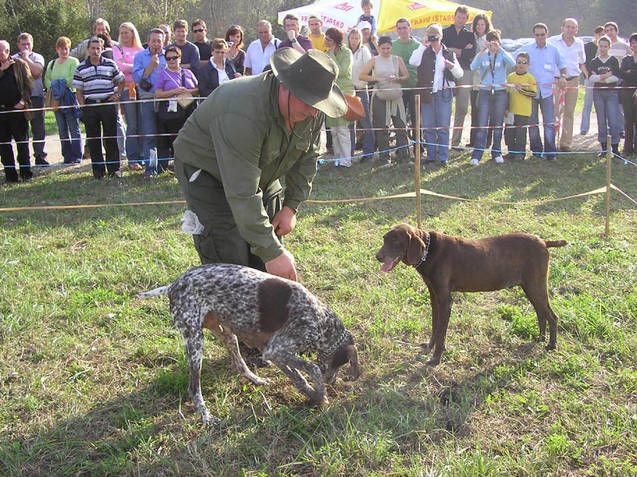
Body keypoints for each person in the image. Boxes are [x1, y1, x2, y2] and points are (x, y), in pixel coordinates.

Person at [173, 48, 347, 281]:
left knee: (266, 260)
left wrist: (291, 207)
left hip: (260, 169)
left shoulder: (312, 110)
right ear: (286, 87)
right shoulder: (242, 111)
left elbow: (308, 157)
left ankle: (263, 313)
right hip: (207, 171)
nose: (314, 114)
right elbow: (242, 191)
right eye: (309, 103)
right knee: (230, 260)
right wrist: (272, 253)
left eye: (319, 105)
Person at [410, 23, 463, 165]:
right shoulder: (423, 51)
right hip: (428, 94)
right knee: (428, 126)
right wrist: (423, 44)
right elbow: (413, 61)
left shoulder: (448, 53)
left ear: (441, 37)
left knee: (443, 127)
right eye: (430, 36)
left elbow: (459, 73)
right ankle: (431, 156)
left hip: (444, 94)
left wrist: (451, 66)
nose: (433, 40)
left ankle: (443, 157)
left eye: (435, 37)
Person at [73, 37, 125, 179]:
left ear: (102, 49)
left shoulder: (110, 64)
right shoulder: (81, 67)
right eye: (93, 48)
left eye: (98, 48)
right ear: (88, 49)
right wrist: (83, 106)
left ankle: (114, 169)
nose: (95, 51)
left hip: (107, 104)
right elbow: (78, 90)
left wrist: (118, 95)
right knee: (93, 139)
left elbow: (121, 80)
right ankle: (98, 172)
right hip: (91, 106)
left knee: (110, 137)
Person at [517, 23, 566, 161]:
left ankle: (551, 152)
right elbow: (512, 62)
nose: (540, 37)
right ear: (534, 35)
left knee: (549, 123)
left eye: (542, 34)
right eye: (537, 35)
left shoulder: (553, 50)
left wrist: (563, 77)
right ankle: (536, 151)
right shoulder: (526, 50)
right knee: (532, 123)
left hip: (547, 93)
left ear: (547, 34)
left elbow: (563, 66)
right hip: (530, 92)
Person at [359, 36, 410, 163]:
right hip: (380, 96)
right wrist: (376, 78)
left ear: (391, 47)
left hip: (396, 96)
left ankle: (404, 156)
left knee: (400, 125)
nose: (386, 51)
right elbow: (362, 75)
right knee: (382, 127)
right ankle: (384, 157)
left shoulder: (397, 59)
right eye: (383, 48)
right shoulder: (374, 60)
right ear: (379, 47)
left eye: (388, 48)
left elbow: (406, 76)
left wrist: (397, 79)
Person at [468, 30, 514, 165]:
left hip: (500, 92)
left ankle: (497, 152)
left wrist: (501, 50)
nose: (493, 45)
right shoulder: (483, 55)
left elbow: (512, 64)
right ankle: (477, 154)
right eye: (491, 42)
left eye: (496, 42)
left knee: (498, 124)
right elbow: (472, 67)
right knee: (482, 125)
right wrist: (482, 51)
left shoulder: (502, 55)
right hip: (485, 92)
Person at [155, 45, 198, 168]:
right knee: (173, 138)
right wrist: (174, 91)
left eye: (174, 57)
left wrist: (187, 91)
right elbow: (158, 94)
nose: (172, 60)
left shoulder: (188, 73)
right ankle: (171, 164)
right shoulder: (162, 74)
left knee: (188, 137)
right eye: (168, 59)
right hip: (171, 113)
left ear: (180, 58)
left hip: (188, 108)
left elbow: (198, 89)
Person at [549, 18, 587, 152]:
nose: (570, 30)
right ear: (562, 28)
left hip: (573, 80)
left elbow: (582, 62)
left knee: (569, 112)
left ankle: (565, 143)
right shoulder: (553, 41)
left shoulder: (579, 43)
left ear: (577, 30)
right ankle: (551, 141)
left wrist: (587, 76)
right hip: (556, 80)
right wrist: (559, 77)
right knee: (555, 111)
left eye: (573, 27)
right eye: (568, 27)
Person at [133, 28, 167, 176]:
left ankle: (164, 166)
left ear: (163, 41)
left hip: (165, 99)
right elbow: (137, 79)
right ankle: (151, 169)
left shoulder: (170, 56)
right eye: (153, 40)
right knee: (150, 134)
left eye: (159, 40)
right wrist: (152, 65)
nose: (156, 44)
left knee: (164, 134)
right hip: (147, 99)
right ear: (148, 41)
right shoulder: (140, 56)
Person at [43, 36, 82, 165]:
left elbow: (73, 78)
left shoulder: (73, 61)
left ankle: (77, 155)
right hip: (56, 99)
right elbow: (47, 80)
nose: (64, 51)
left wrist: (59, 84)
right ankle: (67, 155)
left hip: (69, 98)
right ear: (57, 49)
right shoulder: (51, 63)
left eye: (66, 48)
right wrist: (56, 86)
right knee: (62, 128)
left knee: (73, 127)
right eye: (61, 48)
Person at [443, 6, 476, 149]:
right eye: (459, 17)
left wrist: (453, 50)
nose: (461, 20)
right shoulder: (444, 33)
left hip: (465, 71)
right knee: (445, 106)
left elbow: (470, 54)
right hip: (446, 71)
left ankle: (455, 142)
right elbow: (443, 51)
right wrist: (461, 50)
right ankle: (441, 142)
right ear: (454, 17)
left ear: (466, 20)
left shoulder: (470, 35)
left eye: (464, 18)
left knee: (462, 107)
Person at [12, 33, 48, 168]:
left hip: (36, 97)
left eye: (28, 44)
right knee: (21, 130)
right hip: (19, 99)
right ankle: (24, 159)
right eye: (23, 44)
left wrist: (26, 58)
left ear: (32, 44)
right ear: (18, 45)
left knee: (38, 128)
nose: (26, 46)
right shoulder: (13, 59)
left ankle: (40, 156)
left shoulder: (37, 57)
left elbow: (37, 73)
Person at [0, 40, 32, 183]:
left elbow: (28, 84)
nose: (2, 53)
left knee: (22, 142)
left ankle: (26, 173)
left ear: (8, 50)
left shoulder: (19, 64)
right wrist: (2, 70)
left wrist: (23, 102)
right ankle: (10, 176)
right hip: (1, 112)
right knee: (4, 145)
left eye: (5, 50)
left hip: (17, 111)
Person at [113, 22, 144, 171]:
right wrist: (138, 67)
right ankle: (132, 158)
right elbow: (120, 67)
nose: (125, 35)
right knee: (132, 124)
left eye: (127, 32)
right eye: (122, 32)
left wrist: (133, 67)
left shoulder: (140, 49)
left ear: (133, 33)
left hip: (142, 89)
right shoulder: (117, 48)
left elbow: (145, 68)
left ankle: (143, 155)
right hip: (127, 89)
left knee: (143, 123)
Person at [325, 27, 354, 167]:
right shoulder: (326, 54)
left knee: (343, 128)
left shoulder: (347, 53)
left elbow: (342, 71)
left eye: (329, 39)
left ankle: (346, 160)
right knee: (334, 129)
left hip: (345, 93)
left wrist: (330, 58)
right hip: (330, 93)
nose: (325, 41)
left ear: (335, 41)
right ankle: (337, 158)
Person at [392, 18, 421, 154]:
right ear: (396, 30)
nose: (402, 30)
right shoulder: (393, 45)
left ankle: (418, 146)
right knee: (399, 120)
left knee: (416, 120)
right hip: (399, 88)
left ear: (410, 28)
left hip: (415, 87)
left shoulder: (418, 45)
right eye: (400, 28)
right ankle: (402, 147)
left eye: (405, 27)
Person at [590, 36, 621, 157]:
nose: (602, 48)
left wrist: (601, 78)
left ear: (609, 47)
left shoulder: (613, 60)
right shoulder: (594, 61)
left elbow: (616, 78)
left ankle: (615, 147)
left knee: (613, 120)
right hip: (598, 93)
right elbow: (592, 78)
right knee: (601, 120)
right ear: (598, 46)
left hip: (611, 93)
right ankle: (603, 149)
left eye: (605, 46)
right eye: (600, 46)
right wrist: (605, 76)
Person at [505, 52, 537, 161]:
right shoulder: (510, 77)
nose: (521, 65)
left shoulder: (530, 78)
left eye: (524, 63)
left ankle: (520, 153)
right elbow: (507, 93)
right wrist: (506, 108)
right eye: (519, 62)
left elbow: (533, 94)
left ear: (528, 65)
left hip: (523, 111)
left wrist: (522, 90)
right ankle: (511, 152)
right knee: (509, 132)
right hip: (511, 110)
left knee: (520, 133)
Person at [348, 27, 375, 157]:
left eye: (356, 38)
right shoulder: (346, 51)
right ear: (348, 38)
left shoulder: (364, 51)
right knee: (350, 123)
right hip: (348, 91)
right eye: (352, 38)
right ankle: (350, 151)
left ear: (360, 39)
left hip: (361, 89)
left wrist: (362, 82)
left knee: (365, 121)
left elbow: (368, 69)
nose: (354, 40)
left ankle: (369, 151)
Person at [469, 14, 491, 148]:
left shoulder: (489, 39)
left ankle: (486, 141)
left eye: (482, 24)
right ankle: (474, 140)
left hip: (486, 80)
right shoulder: (472, 38)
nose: (480, 27)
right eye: (477, 25)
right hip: (473, 80)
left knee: (485, 112)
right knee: (475, 111)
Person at [581, 26, 605, 136]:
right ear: (595, 35)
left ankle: (604, 128)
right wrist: (588, 76)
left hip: (602, 80)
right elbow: (582, 63)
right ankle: (584, 128)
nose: (601, 36)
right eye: (599, 34)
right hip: (589, 78)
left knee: (602, 105)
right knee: (587, 104)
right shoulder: (587, 46)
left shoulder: (605, 47)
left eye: (603, 34)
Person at [619, 33, 637, 156]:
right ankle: (627, 149)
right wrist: (630, 73)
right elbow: (622, 74)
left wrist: (631, 71)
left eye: (636, 43)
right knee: (628, 120)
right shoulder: (626, 59)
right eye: (632, 43)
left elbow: (629, 73)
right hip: (626, 93)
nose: (635, 45)